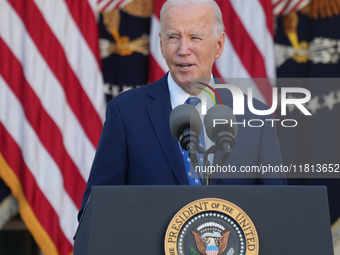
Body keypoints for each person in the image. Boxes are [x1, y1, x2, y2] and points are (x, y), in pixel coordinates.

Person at [78, 0, 286, 220]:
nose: (183, 50)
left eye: (195, 37)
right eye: (173, 37)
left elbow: (278, 211)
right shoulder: (125, 113)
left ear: (219, 45)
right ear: (160, 43)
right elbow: (95, 212)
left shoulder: (255, 117)